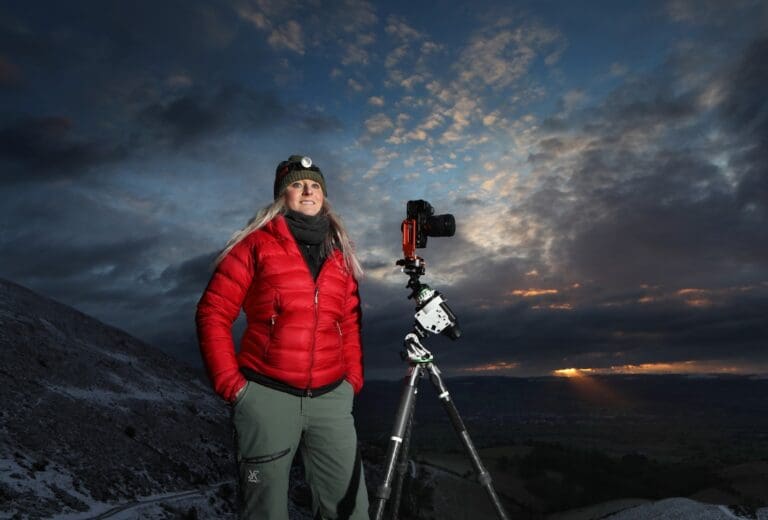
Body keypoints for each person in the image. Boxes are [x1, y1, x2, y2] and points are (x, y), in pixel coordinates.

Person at [196, 155, 369, 519]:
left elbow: (350, 322)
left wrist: (351, 381)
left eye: (315, 185)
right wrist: (233, 387)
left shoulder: (339, 254)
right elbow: (213, 312)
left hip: (331, 402)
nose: (308, 191)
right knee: (265, 512)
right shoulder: (255, 245)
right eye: (297, 184)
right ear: (281, 195)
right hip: (267, 398)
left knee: (351, 511)